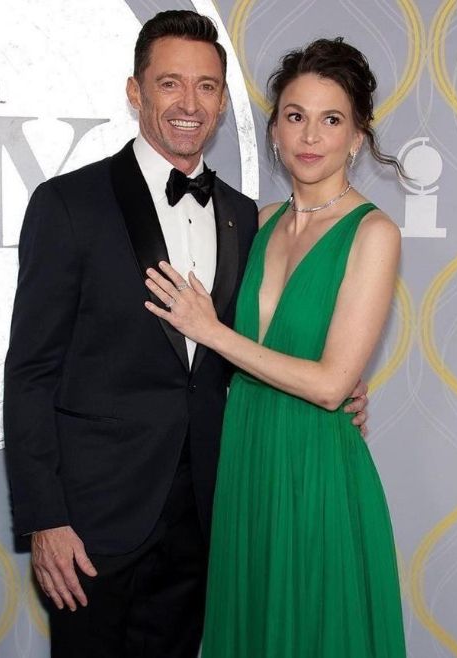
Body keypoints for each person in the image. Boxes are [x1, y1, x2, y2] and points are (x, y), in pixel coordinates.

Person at [3, 12, 368, 658]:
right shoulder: (69, 204)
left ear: (223, 102)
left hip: (208, 517)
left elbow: (261, 341)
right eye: (169, 83)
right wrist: (45, 519)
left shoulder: (245, 218)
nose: (189, 103)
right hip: (92, 527)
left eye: (206, 86)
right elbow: (30, 372)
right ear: (135, 91)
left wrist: (338, 381)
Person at [145, 37, 406, 658]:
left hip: (316, 470)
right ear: (274, 130)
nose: (310, 136)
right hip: (244, 463)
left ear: (357, 136)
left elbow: (330, 385)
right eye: (295, 116)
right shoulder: (255, 224)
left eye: (331, 119)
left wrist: (213, 331)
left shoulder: (373, 233)